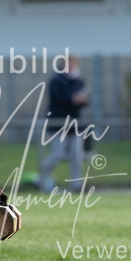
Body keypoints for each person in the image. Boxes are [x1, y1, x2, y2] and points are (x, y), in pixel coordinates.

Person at [40, 54, 90, 192]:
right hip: (59, 124)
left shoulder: (79, 81)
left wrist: (82, 100)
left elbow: (85, 99)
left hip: (75, 124)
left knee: (77, 155)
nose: (70, 67)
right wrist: (71, 99)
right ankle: (42, 179)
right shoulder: (56, 80)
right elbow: (57, 98)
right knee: (57, 154)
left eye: (72, 64)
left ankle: (77, 185)